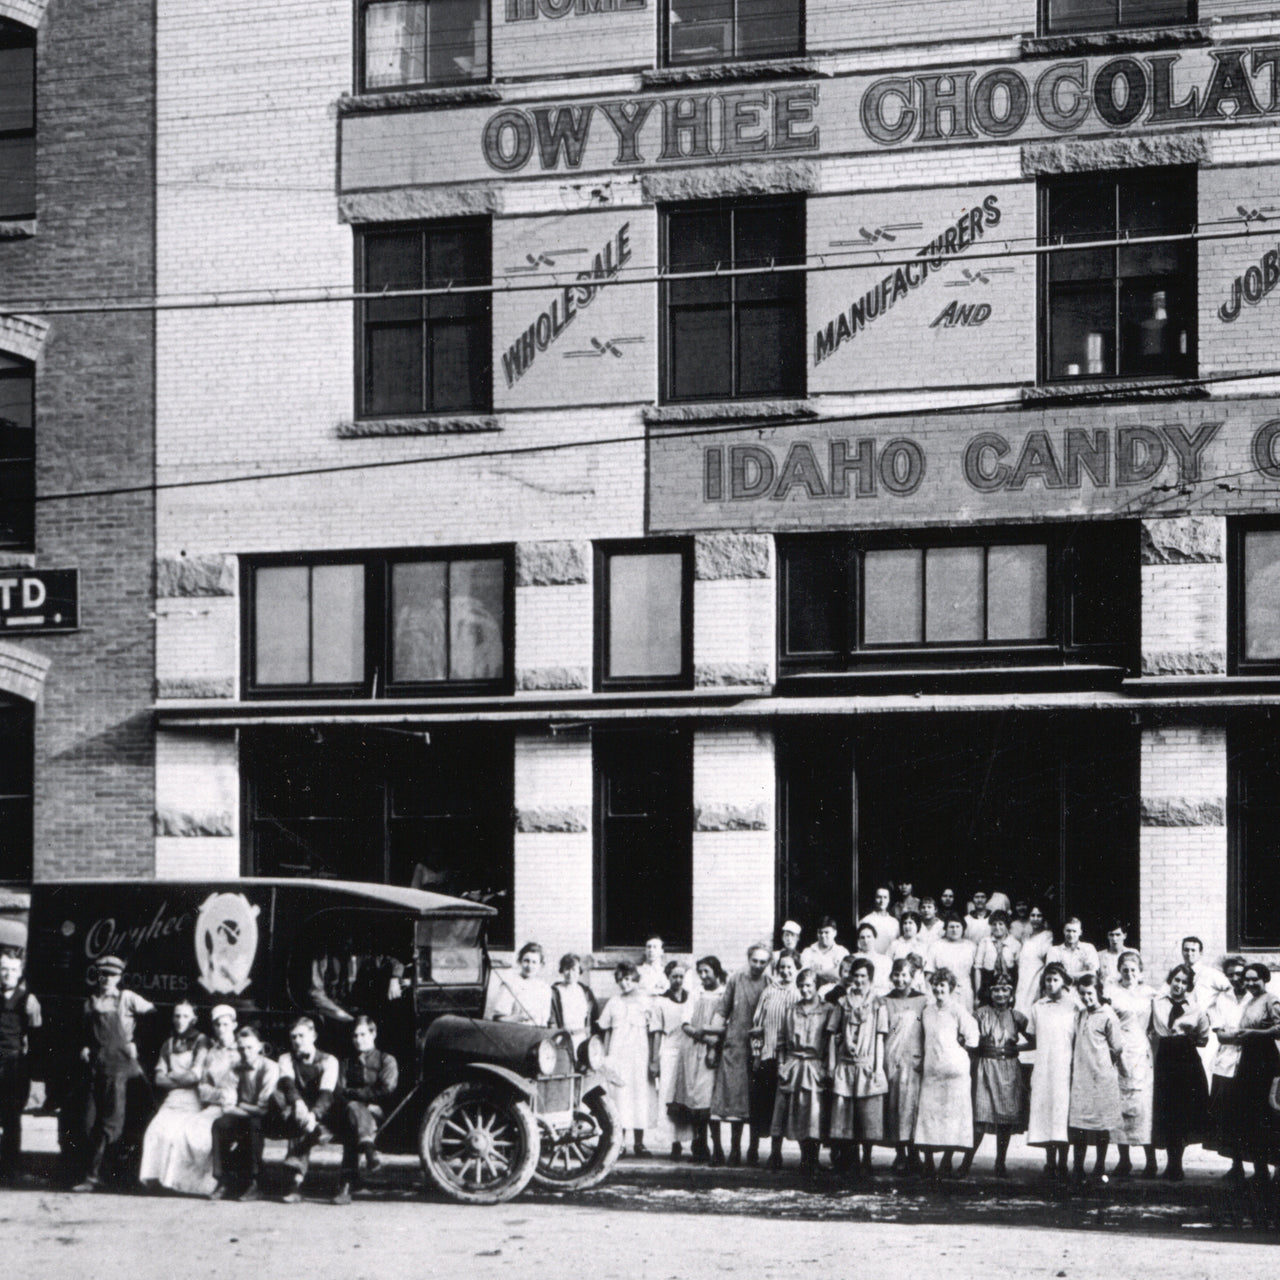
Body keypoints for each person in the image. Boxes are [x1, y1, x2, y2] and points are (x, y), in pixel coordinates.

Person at [72, 955, 156, 1192]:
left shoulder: (127, 998)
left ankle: (96, 1177)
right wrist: (85, 1046)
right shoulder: (90, 1001)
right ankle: (97, 1172)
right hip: (97, 1066)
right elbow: (83, 1031)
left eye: (111, 975)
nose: (106, 979)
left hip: (121, 1068)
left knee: (112, 1123)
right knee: (88, 1121)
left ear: (119, 977)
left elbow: (154, 1016)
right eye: (102, 975)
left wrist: (137, 1042)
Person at [1217, 961, 1280, 1184]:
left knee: (1266, 1115)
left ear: (1265, 979)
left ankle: (1273, 1171)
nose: (1251, 983)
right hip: (1249, 1062)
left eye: (1256, 979)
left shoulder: (1270, 999)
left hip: (1265, 1061)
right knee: (1251, 1116)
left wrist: (1253, 1033)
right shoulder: (1251, 1001)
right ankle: (1260, 1169)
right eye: (1248, 979)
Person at [914, 968, 979, 1179]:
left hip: (955, 1072)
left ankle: (947, 1160)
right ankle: (929, 1163)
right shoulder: (927, 1011)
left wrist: (959, 1052)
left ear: (950, 988)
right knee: (929, 1116)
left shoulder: (958, 1009)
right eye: (936, 984)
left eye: (943, 985)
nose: (939, 988)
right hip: (932, 1071)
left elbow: (973, 1036)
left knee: (952, 1118)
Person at [826, 956, 887, 1180]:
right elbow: (833, 1035)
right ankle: (846, 1159)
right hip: (845, 1064)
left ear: (870, 979)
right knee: (844, 1115)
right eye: (856, 976)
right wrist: (832, 1064)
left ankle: (867, 1159)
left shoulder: (878, 1004)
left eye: (864, 976)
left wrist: (878, 1068)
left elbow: (880, 1037)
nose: (859, 980)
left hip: (867, 1063)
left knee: (867, 1116)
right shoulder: (843, 1002)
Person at [139, 1001, 210, 1192]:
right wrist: (179, 1080)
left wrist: (172, 1077)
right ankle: (155, 1179)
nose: (180, 1020)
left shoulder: (201, 1041)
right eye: (177, 1016)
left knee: (177, 1136)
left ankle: (174, 1182)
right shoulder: (168, 1043)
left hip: (193, 1099)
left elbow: (196, 1074)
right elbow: (158, 1078)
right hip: (172, 1098)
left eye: (185, 1016)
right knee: (155, 1131)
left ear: (194, 1019)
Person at [710, 944, 771, 1166]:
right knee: (732, 1100)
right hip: (734, 1046)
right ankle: (734, 1150)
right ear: (748, 959)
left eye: (763, 962)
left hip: (758, 1049)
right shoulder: (736, 979)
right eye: (754, 960)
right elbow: (722, 1010)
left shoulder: (768, 983)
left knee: (754, 1102)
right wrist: (712, 1043)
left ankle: (752, 1149)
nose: (758, 965)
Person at [1150, 963, 1210, 1180]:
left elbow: (1203, 1038)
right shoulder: (1156, 1002)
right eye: (1176, 980)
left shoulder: (1195, 1008)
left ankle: (1176, 1164)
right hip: (1165, 1057)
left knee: (1182, 1111)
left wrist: (1187, 1039)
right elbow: (1149, 1027)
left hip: (1186, 1061)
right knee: (1166, 1109)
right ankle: (1168, 1162)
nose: (1179, 985)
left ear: (1189, 986)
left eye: (1184, 982)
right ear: (1170, 980)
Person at [272, 1016, 341, 1202]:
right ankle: (316, 1133)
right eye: (293, 1037)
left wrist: (314, 1115)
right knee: (279, 1097)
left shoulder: (329, 1061)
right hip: (296, 1109)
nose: (297, 1041)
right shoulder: (285, 1058)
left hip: (321, 1109)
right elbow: (288, 1084)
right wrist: (298, 1104)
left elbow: (327, 1092)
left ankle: (294, 1183)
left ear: (314, 1036)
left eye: (301, 1036)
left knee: (304, 1121)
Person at [209, 1025, 279, 1201]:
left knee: (254, 1125)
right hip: (244, 1115)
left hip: (267, 1119)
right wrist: (246, 1107)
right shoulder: (235, 1068)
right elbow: (227, 1105)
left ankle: (255, 1182)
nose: (245, 1052)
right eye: (241, 1048)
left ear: (260, 1047)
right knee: (220, 1124)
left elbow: (263, 1108)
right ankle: (223, 1180)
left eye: (250, 1047)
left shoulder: (270, 1067)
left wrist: (242, 1104)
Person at [334, 1016, 398, 1204]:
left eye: (363, 1034)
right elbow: (338, 1091)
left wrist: (355, 1094)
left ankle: (346, 1184)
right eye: (355, 1036)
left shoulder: (386, 1060)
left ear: (373, 1034)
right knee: (353, 1111)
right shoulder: (346, 1062)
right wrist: (360, 1099)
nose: (358, 1039)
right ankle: (369, 1151)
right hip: (352, 1112)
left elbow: (386, 1090)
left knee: (353, 1113)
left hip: (379, 1113)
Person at [772, 967, 829, 1178]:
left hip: (815, 1065)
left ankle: (813, 1159)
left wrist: (826, 1066)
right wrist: (781, 1064)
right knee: (796, 1113)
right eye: (802, 986)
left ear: (816, 987)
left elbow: (831, 1040)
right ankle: (804, 1157)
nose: (805, 990)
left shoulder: (826, 1010)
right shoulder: (791, 1010)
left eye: (809, 986)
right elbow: (781, 1042)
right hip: (794, 1064)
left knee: (814, 1114)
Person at [970, 973, 1028, 1178]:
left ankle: (1000, 1162)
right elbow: (967, 1038)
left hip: (1009, 1069)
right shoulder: (980, 1014)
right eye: (996, 989)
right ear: (989, 992)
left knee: (1005, 1119)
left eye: (1005, 990)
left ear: (1011, 994)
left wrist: (1015, 1048)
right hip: (985, 1067)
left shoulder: (1017, 1017)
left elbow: (1036, 1039)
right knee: (980, 1116)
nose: (1000, 994)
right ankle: (967, 1161)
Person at [1068, 974, 1123, 1182]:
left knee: (1101, 1123)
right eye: (1082, 994)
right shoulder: (1080, 1014)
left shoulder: (1108, 1014)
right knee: (1079, 1123)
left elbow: (1117, 1046)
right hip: (1081, 1076)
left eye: (1090, 993)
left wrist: (1103, 1063)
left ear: (1098, 992)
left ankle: (1100, 1166)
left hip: (1101, 1076)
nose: (1086, 998)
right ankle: (1078, 1166)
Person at [669, 955, 725, 1163]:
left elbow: (725, 1023)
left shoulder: (724, 993)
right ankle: (699, 1146)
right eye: (700, 972)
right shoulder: (695, 994)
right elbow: (685, 1022)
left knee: (707, 1101)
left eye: (707, 972)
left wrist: (713, 1043)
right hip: (692, 1049)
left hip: (714, 1050)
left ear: (716, 972)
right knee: (692, 1099)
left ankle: (718, 1147)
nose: (703, 976)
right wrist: (699, 1034)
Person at [1025, 961, 1076, 1179]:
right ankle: (1050, 1161)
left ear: (1063, 982)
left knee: (1062, 1113)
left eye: (1055, 979)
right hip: (1044, 1067)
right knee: (1046, 1113)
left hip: (1065, 1067)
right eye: (1047, 979)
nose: (1051, 983)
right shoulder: (1038, 1007)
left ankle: (1063, 1162)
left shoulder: (1074, 1007)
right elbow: (1032, 1037)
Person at [1108, 950, 1157, 1177]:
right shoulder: (1111, 992)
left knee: (1144, 1106)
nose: (1129, 973)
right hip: (1119, 1051)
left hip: (1142, 1052)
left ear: (1140, 972)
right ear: (1119, 970)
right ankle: (1124, 1160)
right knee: (1120, 1106)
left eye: (1133, 970)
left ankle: (1151, 1161)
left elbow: (1157, 1024)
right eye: (1125, 969)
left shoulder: (1150, 993)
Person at [600, 961, 655, 1158]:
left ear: (635, 980)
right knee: (620, 1097)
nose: (625, 984)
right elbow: (605, 1030)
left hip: (639, 1053)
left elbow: (652, 1031)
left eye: (629, 979)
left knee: (639, 1096)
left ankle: (639, 1143)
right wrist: (606, 1058)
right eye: (621, 980)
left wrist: (652, 1059)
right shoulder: (614, 1002)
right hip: (618, 1054)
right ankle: (620, 1143)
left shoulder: (645, 1001)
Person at [751, 951, 799, 1171]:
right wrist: (757, 1054)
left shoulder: (800, 993)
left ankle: (805, 1156)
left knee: (788, 1108)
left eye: (790, 967)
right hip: (768, 1057)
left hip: (791, 1060)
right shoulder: (769, 992)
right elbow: (757, 1026)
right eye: (783, 968)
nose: (786, 971)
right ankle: (772, 1152)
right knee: (769, 1107)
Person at [1205, 956, 1250, 1180]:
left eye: (1239, 974)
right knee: (1230, 1116)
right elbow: (1221, 1035)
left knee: (1251, 1115)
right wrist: (1246, 1036)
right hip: (1226, 1065)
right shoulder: (1221, 999)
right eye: (1231, 974)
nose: (1236, 978)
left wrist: (1238, 1035)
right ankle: (1237, 1165)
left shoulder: (1256, 997)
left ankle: (1260, 1168)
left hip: (1252, 1064)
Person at [881, 957, 927, 1173]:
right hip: (893, 1059)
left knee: (913, 1108)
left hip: (915, 1060)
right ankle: (900, 1153)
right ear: (891, 976)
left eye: (904, 975)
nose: (900, 979)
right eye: (896, 975)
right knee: (895, 1107)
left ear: (912, 977)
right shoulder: (884, 1001)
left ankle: (915, 1154)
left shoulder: (923, 1001)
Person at [0, 949, 40, 1182]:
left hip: (14, 1063)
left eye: (13, 970)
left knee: (11, 1117)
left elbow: (35, 1036)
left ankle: (10, 1168)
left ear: (20, 973)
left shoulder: (28, 1000)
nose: (7, 974)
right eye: (3, 969)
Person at [649, 961, 692, 1159]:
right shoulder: (660, 1002)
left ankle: (693, 1140)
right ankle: (674, 1142)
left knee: (688, 1096)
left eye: (681, 976)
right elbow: (657, 1032)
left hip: (688, 1052)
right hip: (668, 1052)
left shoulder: (691, 999)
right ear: (668, 977)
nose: (678, 980)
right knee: (669, 1097)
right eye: (674, 976)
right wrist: (654, 1060)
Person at [492, 942, 553, 1026]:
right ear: (519, 961)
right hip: (517, 1032)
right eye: (526, 961)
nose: (530, 966)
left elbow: (547, 1020)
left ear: (541, 965)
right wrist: (518, 1018)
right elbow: (498, 1019)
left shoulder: (545, 988)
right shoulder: (510, 984)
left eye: (534, 962)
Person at [928, 915, 977, 1012]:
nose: (954, 930)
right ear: (945, 929)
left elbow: (976, 972)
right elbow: (929, 972)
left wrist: (977, 995)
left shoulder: (971, 946)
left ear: (963, 928)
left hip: (964, 990)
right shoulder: (936, 946)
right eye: (951, 927)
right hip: (942, 990)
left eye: (958, 926)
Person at [973, 910, 1020, 1007]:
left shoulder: (1015, 943)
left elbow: (1019, 970)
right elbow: (978, 968)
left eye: (1001, 924)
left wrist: (1015, 993)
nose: (997, 927)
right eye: (994, 924)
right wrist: (977, 995)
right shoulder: (985, 942)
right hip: (988, 985)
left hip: (1008, 985)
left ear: (1006, 926)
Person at [550, 953, 597, 1046]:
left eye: (573, 969)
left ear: (579, 970)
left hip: (584, 1038)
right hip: (563, 1039)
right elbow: (552, 1019)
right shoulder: (555, 992)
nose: (570, 973)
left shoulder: (586, 991)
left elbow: (594, 1016)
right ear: (562, 970)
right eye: (567, 969)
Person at [1178, 936, 1231, 1008]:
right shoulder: (1177, 973)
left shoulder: (1211, 973)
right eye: (1186, 950)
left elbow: (1230, 989)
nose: (1189, 954)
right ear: (1182, 952)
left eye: (1193, 950)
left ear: (1200, 953)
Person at [799, 918, 848, 988]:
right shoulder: (808, 952)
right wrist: (830, 972)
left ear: (835, 933)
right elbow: (803, 976)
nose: (823, 935)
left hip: (836, 991)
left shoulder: (842, 952)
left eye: (826, 932)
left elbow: (841, 976)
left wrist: (815, 971)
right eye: (820, 932)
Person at [1047, 918, 1099, 983]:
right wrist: (1083, 974)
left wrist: (1064, 974)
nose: (1071, 935)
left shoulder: (1088, 948)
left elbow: (1092, 974)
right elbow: (1052, 974)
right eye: (1068, 931)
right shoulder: (1054, 950)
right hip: (1062, 990)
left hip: (1083, 989)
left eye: (1074, 931)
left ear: (1080, 932)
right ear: (1063, 931)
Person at [887, 912, 928, 989]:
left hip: (917, 986)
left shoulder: (922, 946)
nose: (907, 926)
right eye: (905, 923)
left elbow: (925, 970)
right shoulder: (895, 945)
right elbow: (887, 966)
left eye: (910, 923)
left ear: (917, 926)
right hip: (898, 984)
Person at [859, 888, 899, 956]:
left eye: (885, 897)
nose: (882, 901)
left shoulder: (895, 923)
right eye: (879, 897)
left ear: (889, 900)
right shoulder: (866, 921)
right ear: (874, 899)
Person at [851, 923, 888, 995]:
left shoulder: (884, 960)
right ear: (858, 940)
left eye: (869, 937)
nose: (866, 941)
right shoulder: (853, 958)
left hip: (879, 993)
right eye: (862, 937)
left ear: (875, 938)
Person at [1099, 922, 1137, 989]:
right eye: (1111, 935)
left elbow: (1139, 976)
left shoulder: (1132, 953)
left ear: (1124, 936)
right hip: (1107, 991)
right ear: (1107, 936)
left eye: (1118, 935)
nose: (1114, 938)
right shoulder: (1100, 955)